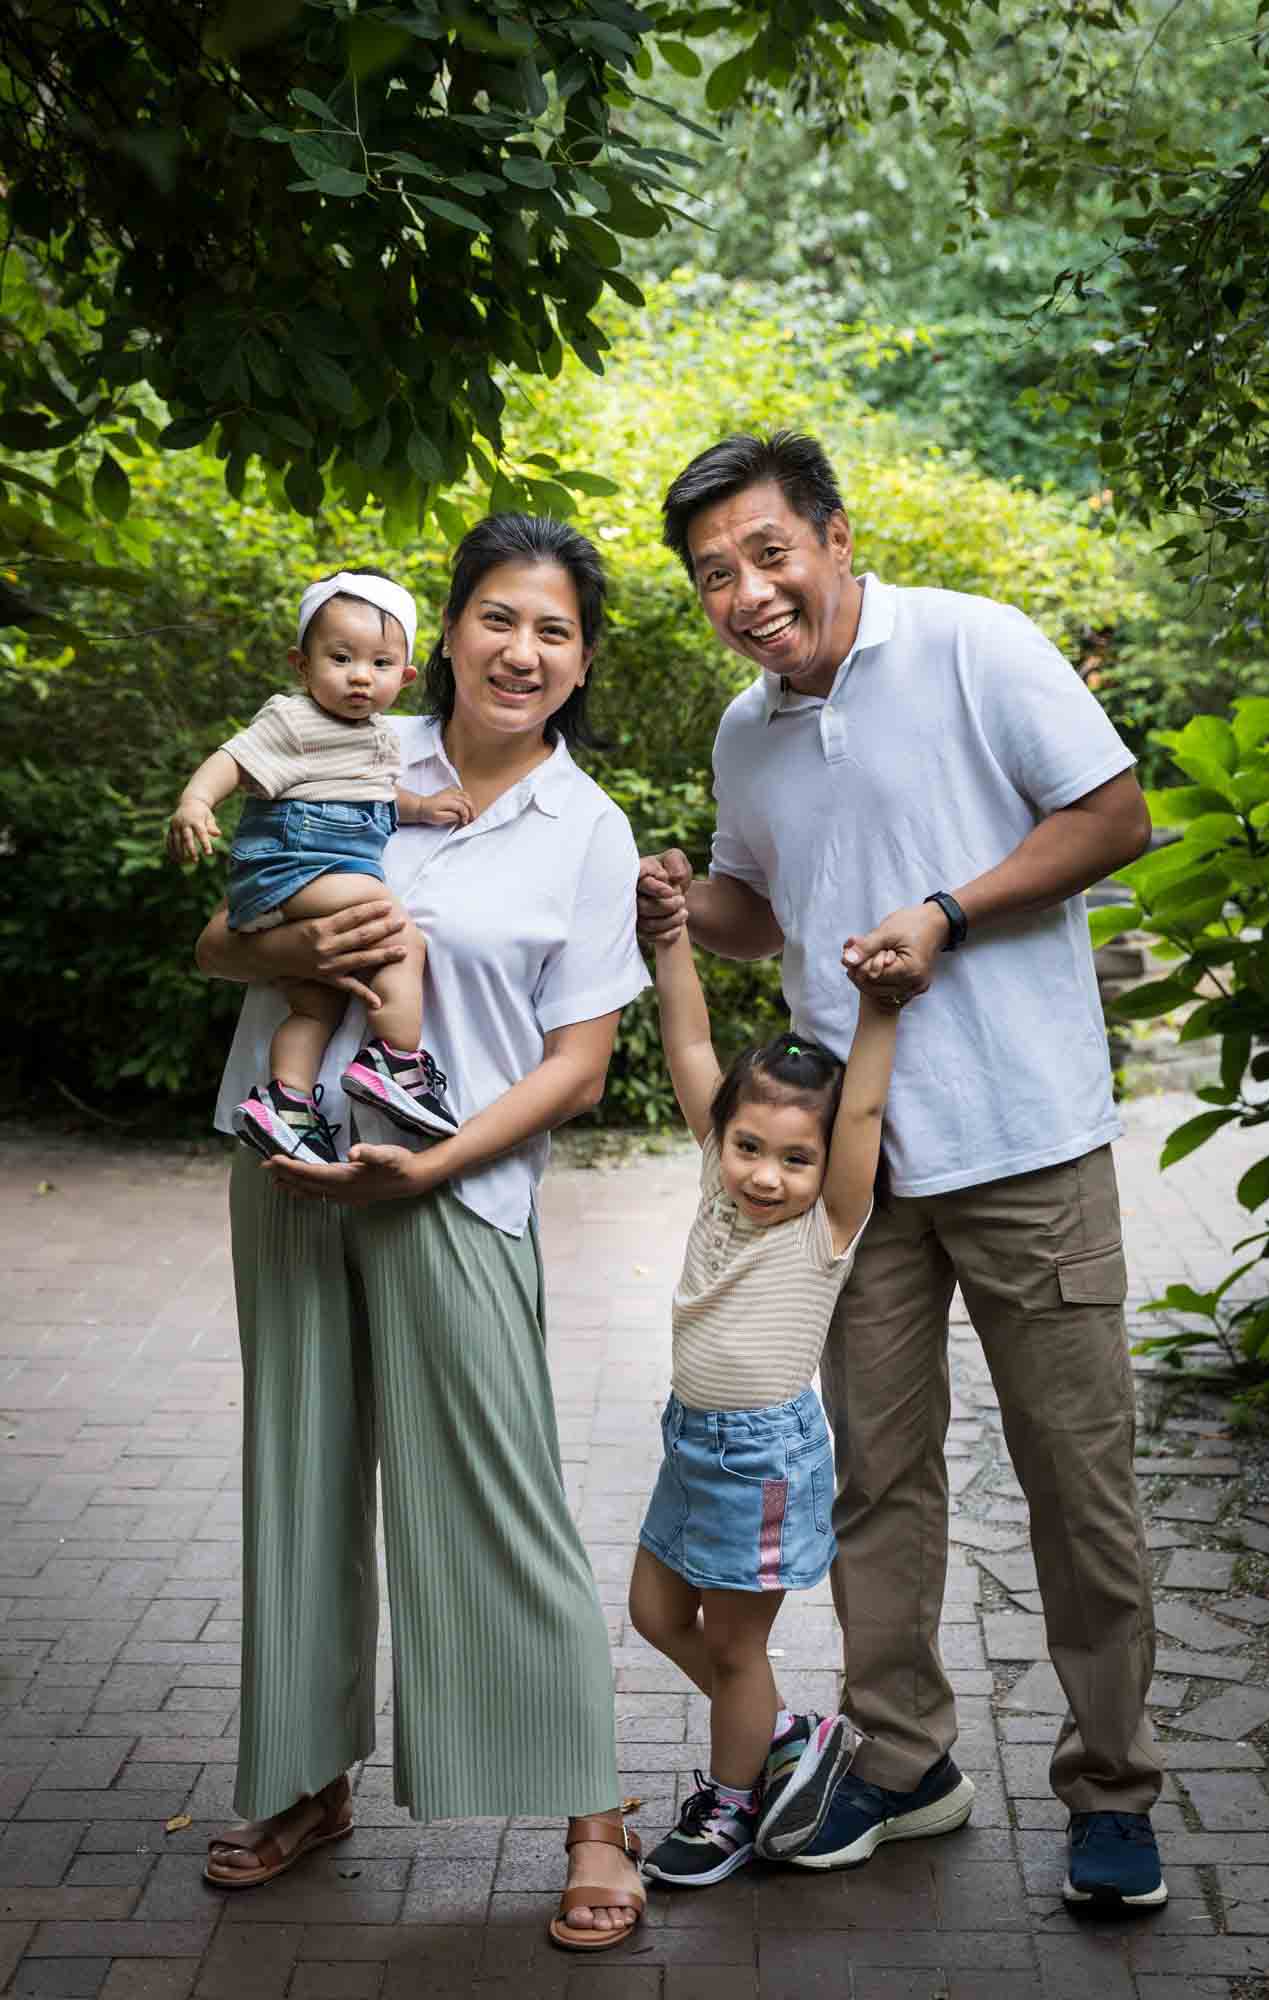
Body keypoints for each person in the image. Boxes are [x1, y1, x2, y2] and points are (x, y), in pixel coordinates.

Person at [636, 431, 1167, 1910]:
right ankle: (904, 1758)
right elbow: (769, 909)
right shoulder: (747, 732)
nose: (744, 591)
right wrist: (687, 899)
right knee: (873, 1478)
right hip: (846, 1179)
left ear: (835, 535)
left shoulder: (973, 645)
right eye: (711, 574)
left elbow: (1113, 816)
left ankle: (1113, 1788)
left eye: (765, 553)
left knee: (1082, 1484)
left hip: (1024, 1142)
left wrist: (944, 910)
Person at [193, 515, 651, 1952]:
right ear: (443, 631)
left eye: (556, 632)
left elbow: (580, 1062)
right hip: (287, 1157)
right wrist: (295, 948)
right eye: (500, 618)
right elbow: (219, 940)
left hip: (454, 1185)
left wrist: (438, 1159)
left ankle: (591, 1810)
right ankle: (301, 1783)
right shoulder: (353, 751)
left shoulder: (587, 826)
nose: (523, 651)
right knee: (301, 1478)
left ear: (580, 665)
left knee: (496, 1497)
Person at [628, 920, 899, 1887]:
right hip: (690, 1441)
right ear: (723, 1136)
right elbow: (690, 1043)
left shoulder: (828, 1222)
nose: (762, 1175)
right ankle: (785, 1730)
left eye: (792, 1158)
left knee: (737, 1645)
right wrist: (667, 942)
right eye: (748, 1146)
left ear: (824, 1169)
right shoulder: (718, 1180)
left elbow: (859, 1115)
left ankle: (730, 1807)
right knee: (656, 1613)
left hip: (762, 1459)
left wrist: (877, 1012)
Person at [168, 568, 472, 1162]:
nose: (361, 676)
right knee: (396, 933)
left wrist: (423, 807)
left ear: (404, 677)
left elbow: (375, 798)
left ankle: (286, 1100)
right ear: (302, 666)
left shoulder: (380, 737)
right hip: (293, 864)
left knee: (317, 1004)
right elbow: (232, 758)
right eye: (341, 658)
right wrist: (196, 802)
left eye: (381, 665)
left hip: (313, 872)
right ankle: (395, 1059)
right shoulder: (294, 719)